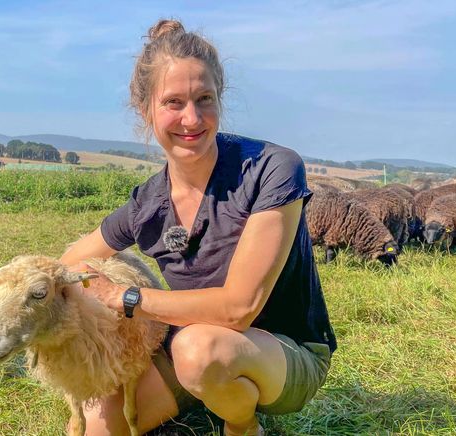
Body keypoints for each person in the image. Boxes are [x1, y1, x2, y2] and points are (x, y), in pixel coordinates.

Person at [60, 19, 336, 436]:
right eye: (173, 102)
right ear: (146, 109)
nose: (192, 119)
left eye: (204, 99)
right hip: (188, 345)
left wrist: (125, 296)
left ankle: (241, 424)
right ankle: (203, 389)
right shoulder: (147, 203)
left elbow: (238, 309)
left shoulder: (270, 169)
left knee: (198, 350)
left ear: (220, 99)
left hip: (283, 351)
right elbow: (70, 262)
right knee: (101, 427)